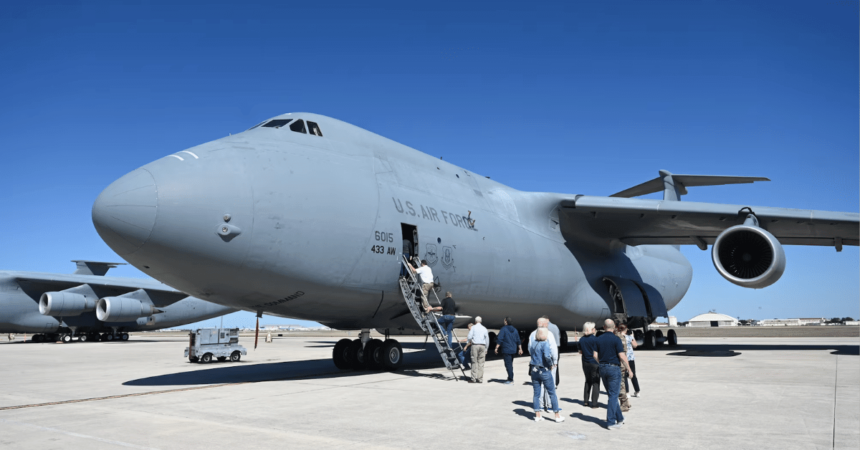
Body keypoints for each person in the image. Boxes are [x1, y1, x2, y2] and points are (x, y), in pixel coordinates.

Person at [593, 319, 634, 430]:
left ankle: (620, 417)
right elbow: (622, 356)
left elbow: (595, 355)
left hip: (602, 368)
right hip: (613, 368)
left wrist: (601, 363)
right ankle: (611, 422)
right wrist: (629, 369)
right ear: (614, 327)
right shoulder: (616, 339)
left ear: (604, 327)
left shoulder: (598, 339)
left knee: (612, 394)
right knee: (613, 396)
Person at [528, 327, 564, 423]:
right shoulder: (545, 344)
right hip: (543, 369)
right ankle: (557, 415)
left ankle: (537, 415)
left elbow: (531, 353)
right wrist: (551, 364)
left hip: (534, 369)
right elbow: (547, 356)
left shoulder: (533, 343)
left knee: (536, 393)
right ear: (544, 335)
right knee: (552, 392)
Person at [528, 318, 558, 412]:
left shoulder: (532, 334)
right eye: (547, 324)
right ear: (544, 324)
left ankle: (539, 407)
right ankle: (550, 406)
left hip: (535, 366)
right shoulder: (548, 334)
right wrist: (554, 362)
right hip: (545, 366)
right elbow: (552, 350)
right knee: (550, 388)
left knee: (537, 390)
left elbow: (530, 349)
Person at [494, 317, 522, 384]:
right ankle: (510, 377)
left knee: (508, 364)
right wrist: (520, 348)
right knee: (510, 364)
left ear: (506, 321)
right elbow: (518, 340)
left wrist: (496, 348)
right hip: (513, 349)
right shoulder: (515, 329)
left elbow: (500, 339)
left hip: (506, 349)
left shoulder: (503, 329)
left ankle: (510, 379)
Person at [578, 322, 600, 408]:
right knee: (596, 382)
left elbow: (580, 352)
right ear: (590, 329)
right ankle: (594, 403)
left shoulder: (581, 339)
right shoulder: (595, 339)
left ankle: (586, 401)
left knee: (587, 381)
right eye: (594, 328)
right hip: (594, 362)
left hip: (585, 362)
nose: (595, 329)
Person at [465, 316, 489, 383]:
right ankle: (480, 379)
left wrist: (468, 342)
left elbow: (469, 336)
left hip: (475, 345)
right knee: (481, 363)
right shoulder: (484, 328)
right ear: (481, 321)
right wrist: (486, 348)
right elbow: (487, 339)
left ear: (475, 321)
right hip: (482, 346)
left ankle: (473, 378)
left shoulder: (473, 328)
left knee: (474, 362)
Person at [615, 324, 632, 413]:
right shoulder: (622, 337)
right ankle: (626, 403)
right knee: (623, 385)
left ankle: (624, 405)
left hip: (619, 364)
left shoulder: (618, 338)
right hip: (623, 363)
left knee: (621, 386)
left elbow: (621, 353)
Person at [542, 315, 562, 388]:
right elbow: (559, 336)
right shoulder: (555, 326)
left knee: (548, 366)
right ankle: (556, 382)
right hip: (557, 348)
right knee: (556, 366)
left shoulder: (546, 328)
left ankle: (550, 383)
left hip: (550, 348)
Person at [624, 328, 640, 397]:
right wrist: (632, 336)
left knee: (624, 375)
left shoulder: (621, 337)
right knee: (633, 374)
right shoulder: (630, 337)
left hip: (623, 358)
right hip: (630, 358)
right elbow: (635, 345)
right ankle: (637, 391)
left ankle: (627, 392)